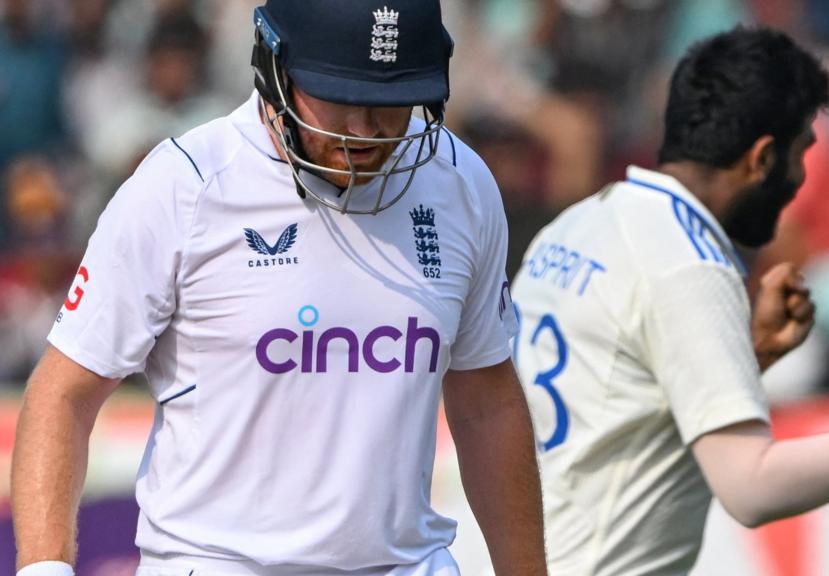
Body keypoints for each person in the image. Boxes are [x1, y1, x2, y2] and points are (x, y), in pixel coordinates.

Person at [11, 2, 547, 575]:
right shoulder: (184, 186)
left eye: (391, 102)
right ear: (273, 65)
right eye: (341, 98)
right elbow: (64, 393)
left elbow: (487, 400)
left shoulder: (460, 183)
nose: (366, 132)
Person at [511, 27, 829, 575]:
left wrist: (748, 354)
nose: (799, 182)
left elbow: (624, 405)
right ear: (763, 157)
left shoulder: (578, 224)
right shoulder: (689, 262)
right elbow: (752, 487)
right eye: (801, 156)